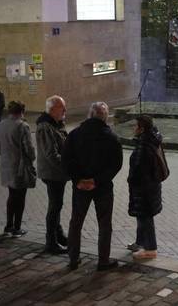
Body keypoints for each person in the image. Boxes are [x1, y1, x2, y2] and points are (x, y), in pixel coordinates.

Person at [63, 102, 123, 271]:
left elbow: (67, 160)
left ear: (89, 115)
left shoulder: (75, 135)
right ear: (105, 117)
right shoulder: (111, 137)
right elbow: (116, 165)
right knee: (104, 224)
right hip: (103, 187)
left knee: (76, 222)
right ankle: (103, 260)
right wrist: (97, 180)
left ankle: (73, 259)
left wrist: (78, 180)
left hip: (80, 187)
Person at [0, 101, 36, 238]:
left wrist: (5, 155)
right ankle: (16, 227)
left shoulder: (0, 125)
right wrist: (31, 158)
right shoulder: (23, 126)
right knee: (20, 197)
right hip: (20, 167)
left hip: (6, 165)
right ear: (22, 111)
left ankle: (8, 226)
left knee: (11, 196)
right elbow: (29, 148)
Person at [127, 115, 166, 260]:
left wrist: (131, 180)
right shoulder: (151, 140)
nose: (133, 128)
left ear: (142, 129)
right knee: (142, 215)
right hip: (151, 186)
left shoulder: (144, 146)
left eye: (135, 126)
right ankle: (140, 242)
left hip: (144, 188)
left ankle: (150, 248)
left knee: (145, 217)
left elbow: (138, 169)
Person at [36, 95, 69, 254]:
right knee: (54, 207)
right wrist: (67, 166)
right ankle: (51, 242)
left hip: (58, 173)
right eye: (62, 108)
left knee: (57, 205)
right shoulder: (45, 127)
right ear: (52, 109)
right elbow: (51, 154)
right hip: (53, 173)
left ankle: (59, 236)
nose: (65, 110)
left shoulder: (56, 124)